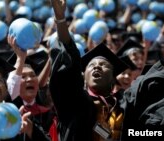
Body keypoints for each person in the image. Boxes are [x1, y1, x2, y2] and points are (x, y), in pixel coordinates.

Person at [48, 0, 129, 141]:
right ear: (83, 77)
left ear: (113, 77)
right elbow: (70, 61)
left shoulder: (123, 104)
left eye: (103, 65)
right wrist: (61, 20)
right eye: (91, 65)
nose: (97, 66)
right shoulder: (73, 100)